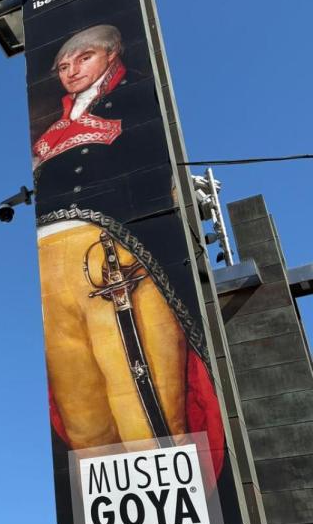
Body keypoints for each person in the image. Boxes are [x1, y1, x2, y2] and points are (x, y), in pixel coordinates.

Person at [31, 25, 222, 463]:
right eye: (64, 65)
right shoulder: (55, 123)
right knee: (79, 408)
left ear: (113, 54)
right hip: (49, 265)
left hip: (112, 254)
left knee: (142, 398)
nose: (72, 71)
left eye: (84, 58)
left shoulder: (135, 96)